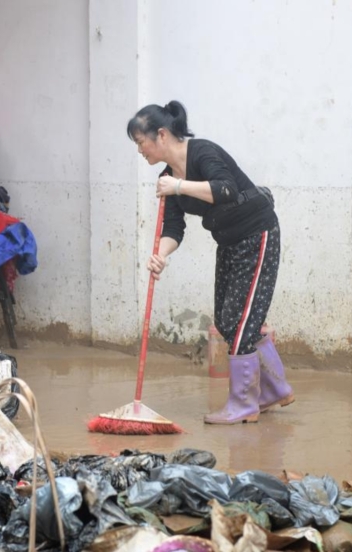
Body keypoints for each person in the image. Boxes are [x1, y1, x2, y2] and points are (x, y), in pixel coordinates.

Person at [127, 101, 294, 425]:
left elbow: (226, 190)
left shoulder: (202, 153)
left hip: (257, 233)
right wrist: (161, 254)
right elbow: (174, 228)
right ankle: (275, 389)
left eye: (140, 141)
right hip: (229, 241)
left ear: (160, 135)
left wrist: (178, 186)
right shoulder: (166, 179)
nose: (139, 150)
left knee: (242, 320)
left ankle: (244, 404)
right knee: (228, 320)